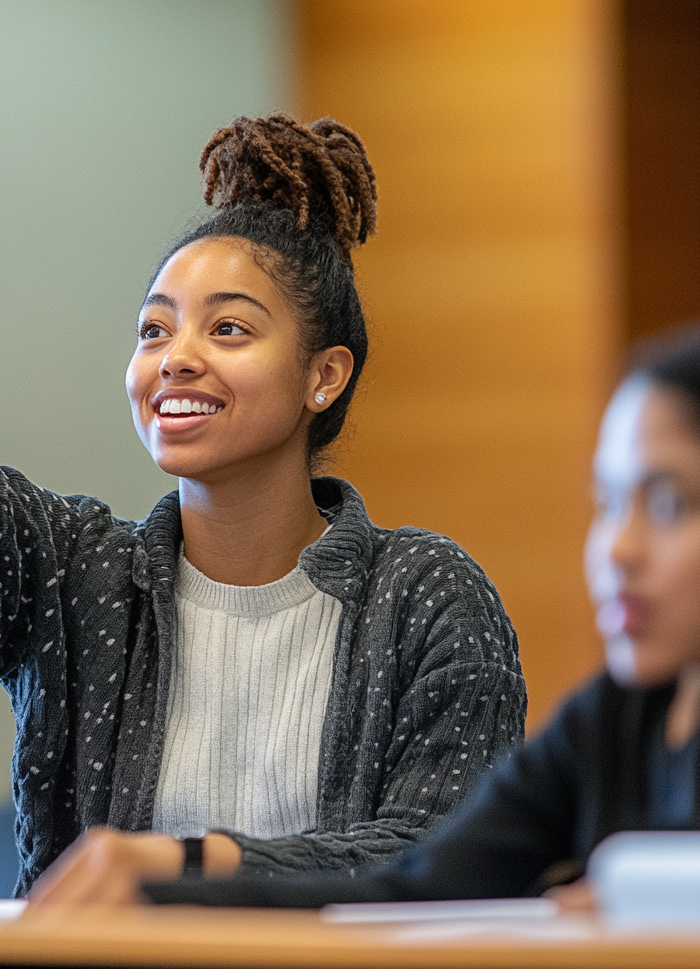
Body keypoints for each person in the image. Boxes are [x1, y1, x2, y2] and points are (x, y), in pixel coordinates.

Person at [0, 4, 526, 901]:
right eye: (153, 329)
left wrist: (186, 867)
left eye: (227, 329)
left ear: (322, 377)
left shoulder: (424, 595)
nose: (176, 357)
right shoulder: (77, 577)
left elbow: (439, 856)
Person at [145, 324, 700, 908]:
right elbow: (420, 888)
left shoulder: (436, 591)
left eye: (669, 504)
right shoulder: (612, 719)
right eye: (609, 502)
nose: (618, 548)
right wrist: (159, 887)